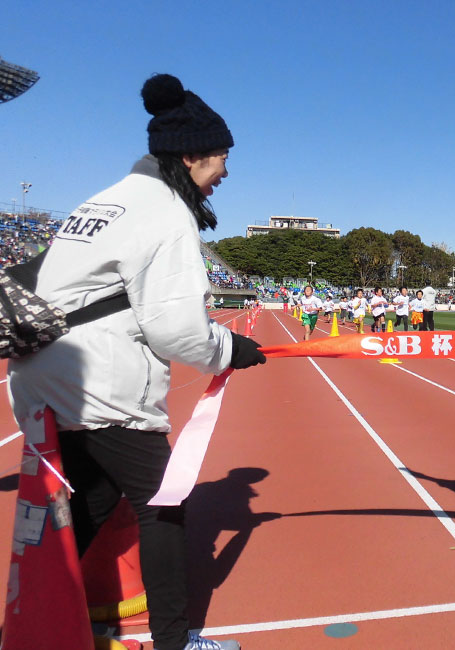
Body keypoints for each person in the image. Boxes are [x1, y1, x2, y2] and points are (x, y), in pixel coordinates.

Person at [7, 74, 264, 650]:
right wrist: (232, 350)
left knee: (92, 505)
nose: (225, 174)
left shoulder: (103, 199)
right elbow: (174, 328)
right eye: (223, 159)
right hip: (101, 379)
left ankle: (51, 624)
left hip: (47, 373)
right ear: (193, 155)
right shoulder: (165, 211)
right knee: (163, 506)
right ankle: (175, 642)